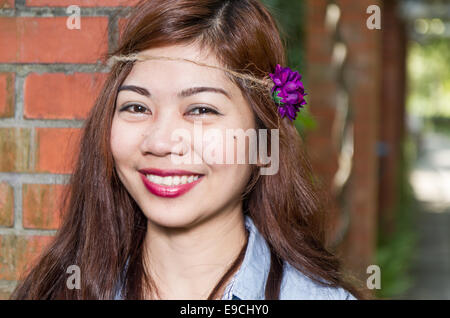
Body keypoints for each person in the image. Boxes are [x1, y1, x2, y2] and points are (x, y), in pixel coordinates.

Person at [11, 0, 363, 300]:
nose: (161, 143)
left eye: (201, 110)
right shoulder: (58, 289)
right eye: (136, 107)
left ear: (262, 142)